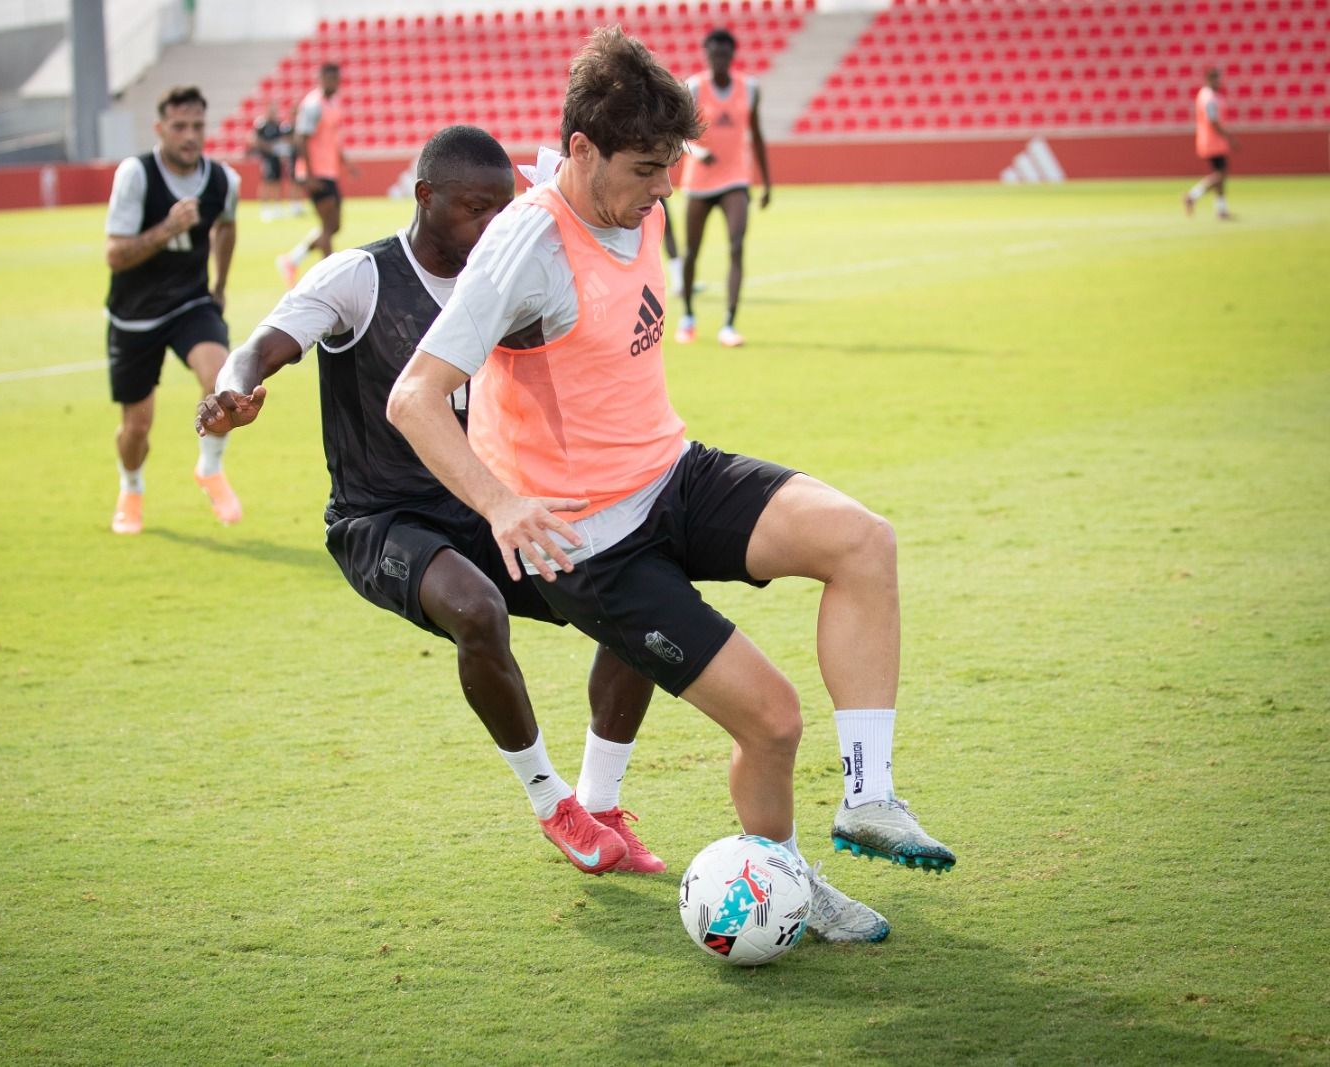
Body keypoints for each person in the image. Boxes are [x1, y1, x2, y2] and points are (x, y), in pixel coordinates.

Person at [389, 29, 958, 943]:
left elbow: (633, 109)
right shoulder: (523, 248)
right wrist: (499, 502)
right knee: (771, 721)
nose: (666, 190)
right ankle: (792, 886)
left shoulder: (624, 184)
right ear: (582, 152)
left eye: (672, 164)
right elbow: (414, 398)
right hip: (595, 544)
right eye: (650, 168)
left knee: (863, 539)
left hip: (672, 474)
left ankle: (870, 796)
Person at [196, 126, 663, 876]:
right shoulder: (358, 275)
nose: (489, 227)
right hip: (379, 522)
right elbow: (264, 344)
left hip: (481, 504)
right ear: (425, 197)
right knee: (477, 610)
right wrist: (232, 388)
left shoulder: (505, 281)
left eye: (499, 209)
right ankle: (554, 805)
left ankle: (602, 800)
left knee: (643, 591)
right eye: (473, 209)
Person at [104, 85, 243, 535]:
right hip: (135, 314)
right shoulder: (136, 175)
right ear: (160, 128)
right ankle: (131, 487)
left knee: (224, 382)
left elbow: (226, 226)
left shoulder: (223, 180)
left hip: (191, 303)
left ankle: (209, 467)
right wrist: (167, 228)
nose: (189, 136)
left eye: (197, 126)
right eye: (179, 127)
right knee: (136, 428)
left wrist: (219, 285)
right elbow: (114, 255)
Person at [674, 28, 772, 349]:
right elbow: (681, 137)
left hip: (735, 179)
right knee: (692, 252)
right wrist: (699, 151)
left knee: (736, 244)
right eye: (714, 53)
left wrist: (767, 181)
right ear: (707, 55)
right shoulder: (695, 88)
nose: (719, 59)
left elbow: (756, 135)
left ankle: (729, 323)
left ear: (732, 56)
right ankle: (688, 317)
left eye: (724, 53)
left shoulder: (749, 89)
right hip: (699, 181)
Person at [278, 63, 358, 287]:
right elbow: (301, 138)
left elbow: (332, 140)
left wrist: (346, 164)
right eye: (329, 78)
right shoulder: (313, 105)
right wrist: (309, 174)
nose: (334, 83)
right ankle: (331, 279)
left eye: (336, 78)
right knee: (327, 227)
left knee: (334, 226)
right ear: (321, 79)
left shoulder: (333, 104)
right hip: (316, 174)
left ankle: (292, 259)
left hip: (329, 171)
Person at [1183, 67, 1236, 221]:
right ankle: (1192, 196)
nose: (1219, 82)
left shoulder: (1211, 96)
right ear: (1209, 79)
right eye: (1216, 78)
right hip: (1212, 140)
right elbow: (1213, 120)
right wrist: (1229, 137)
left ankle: (1221, 208)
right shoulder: (1208, 98)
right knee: (1220, 174)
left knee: (1221, 174)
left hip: (1215, 140)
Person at [252, 104, 298, 220]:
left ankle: (277, 207)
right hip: (267, 158)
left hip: (277, 158)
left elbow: (283, 141)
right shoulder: (262, 125)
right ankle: (265, 208)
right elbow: (255, 140)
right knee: (267, 182)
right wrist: (269, 147)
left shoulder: (278, 126)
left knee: (277, 182)